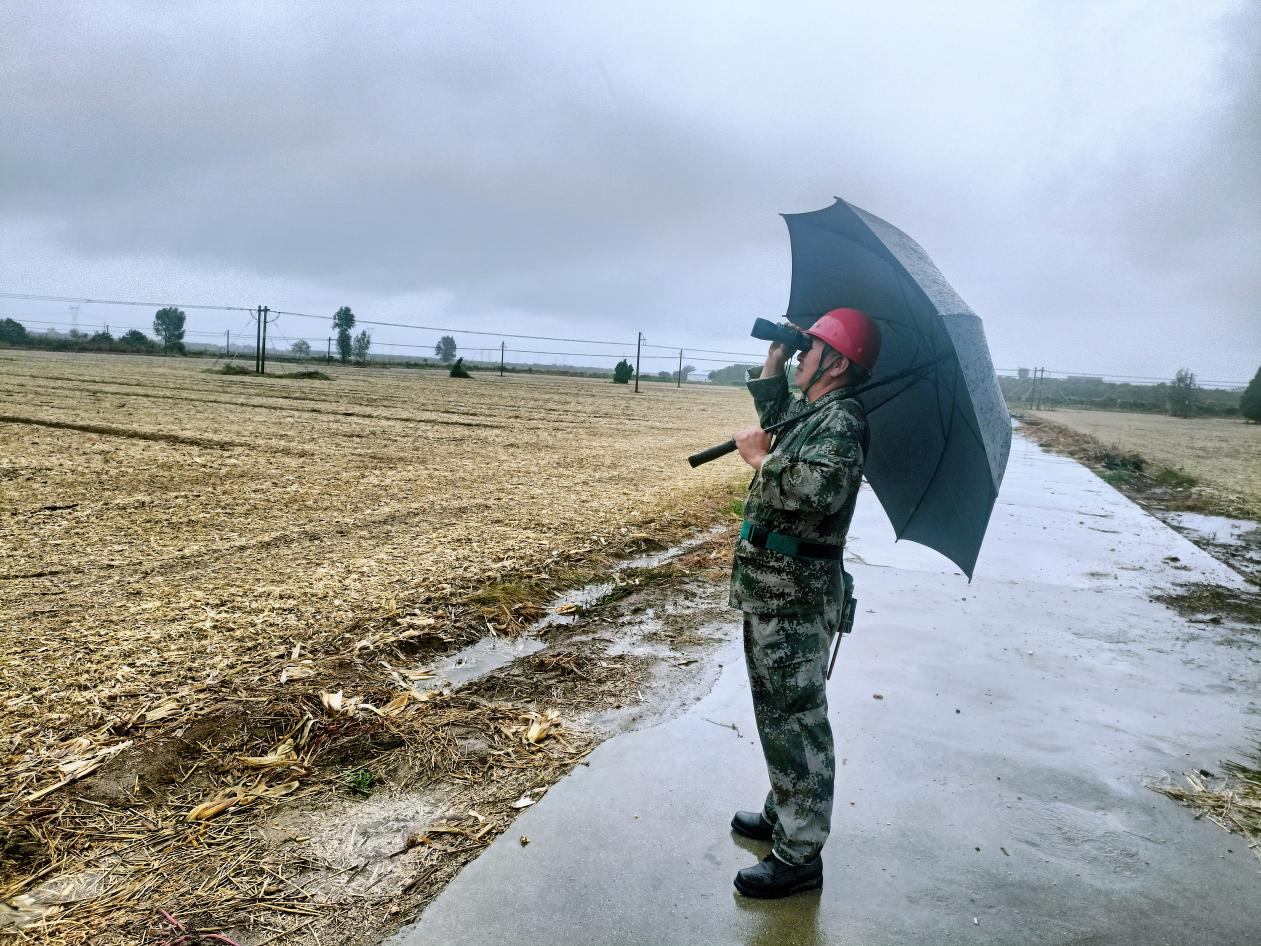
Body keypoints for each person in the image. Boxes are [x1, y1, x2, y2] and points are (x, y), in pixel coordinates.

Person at [727, 307, 881, 899]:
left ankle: (800, 854)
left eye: (810, 347)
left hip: (796, 595)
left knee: (797, 720)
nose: (801, 354)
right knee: (778, 714)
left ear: (837, 362)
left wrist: (761, 461)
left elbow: (818, 490)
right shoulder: (818, 410)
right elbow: (780, 424)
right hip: (775, 589)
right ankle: (781, 810)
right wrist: (773, 362)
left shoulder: (843, 420)